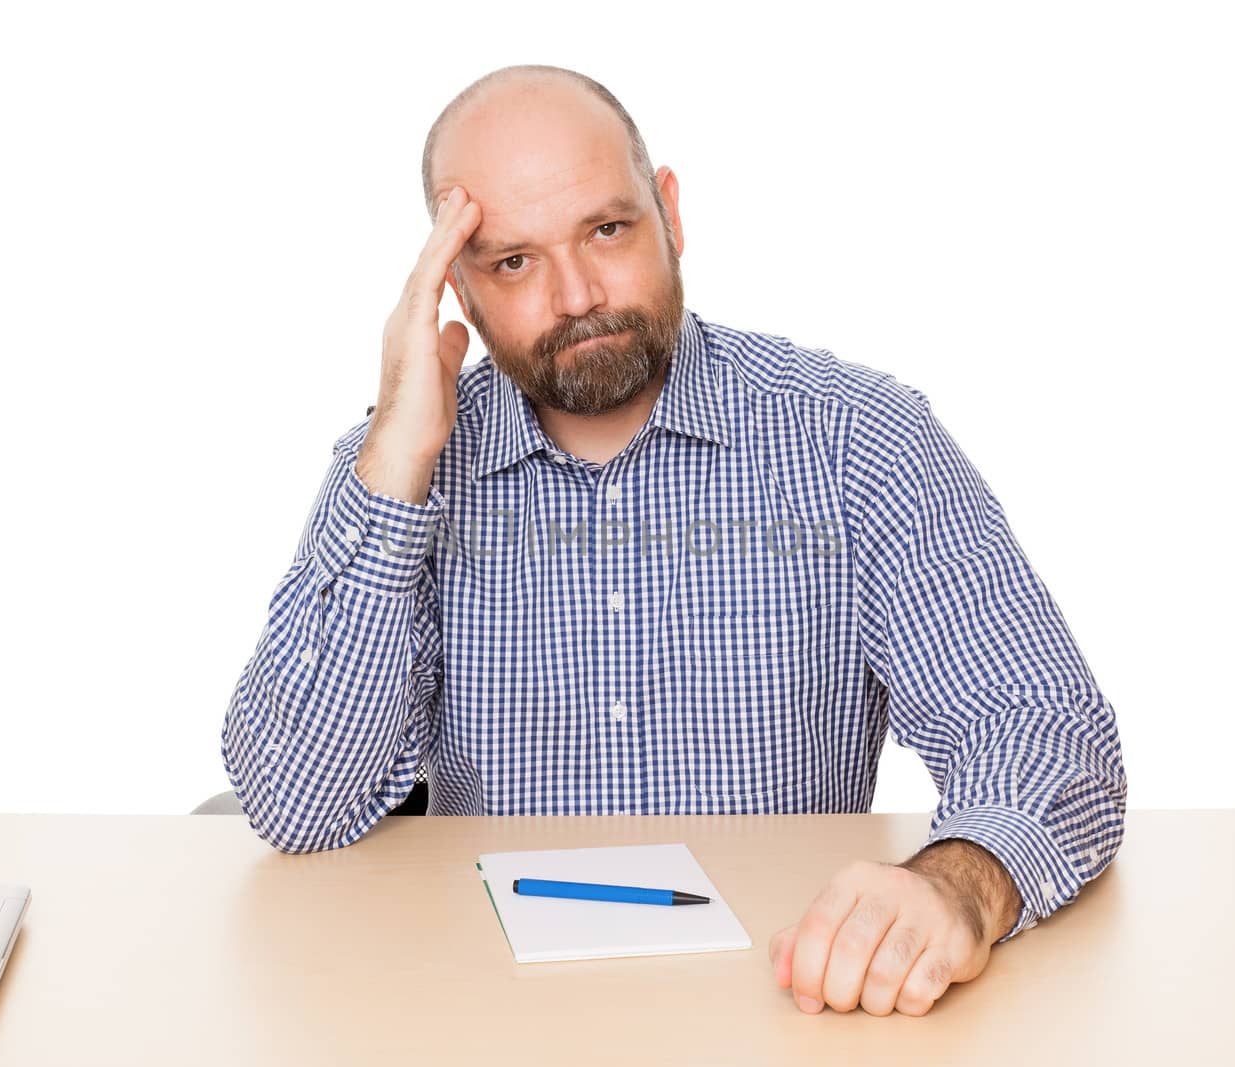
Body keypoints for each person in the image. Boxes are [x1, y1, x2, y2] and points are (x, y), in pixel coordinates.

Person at [220, 63, 1127, 1019]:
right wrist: (397, 467)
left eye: (607, 230)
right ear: (457, 289)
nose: (575, 295)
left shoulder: (860, 438)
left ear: (670, 213)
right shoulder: (399, 467)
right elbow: (297, 803)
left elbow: (1045, 730)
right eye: (514, 263)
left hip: (792, 1007)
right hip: (485, 1014)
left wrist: (958, 883)